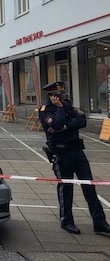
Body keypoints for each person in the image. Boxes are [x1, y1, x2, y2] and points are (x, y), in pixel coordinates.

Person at [38, 81, 110, 235]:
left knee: (89, 186)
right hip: (61, 154)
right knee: (66, 188)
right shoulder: (46, 110)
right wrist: (59, 111)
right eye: (57, 95)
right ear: (50, 96)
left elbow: (82, 120)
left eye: (62, 94)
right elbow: (56, 125)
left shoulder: (67, 105)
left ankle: (100, 223)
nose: (61, 97)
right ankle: (67, 221)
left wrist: (66, 125)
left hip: (77, 151)